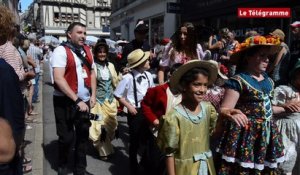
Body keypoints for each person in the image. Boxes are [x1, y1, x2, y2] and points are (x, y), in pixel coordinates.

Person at [215, 35, 285, 174]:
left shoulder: (268, 81)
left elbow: (266, 108)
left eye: (268, 56)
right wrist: (231, 113)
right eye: (262, 55)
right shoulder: (239, 80)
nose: (267, 59)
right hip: (246, 135)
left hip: (266, 134)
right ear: (248, 57)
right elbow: (223, 109)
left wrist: (286, 107)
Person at [157, 60, 218, 175]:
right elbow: (169, 153)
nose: (202, 90)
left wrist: (224, 117)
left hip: (206, 167)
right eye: (197, 84)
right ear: (184, 86)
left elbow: (212, 134)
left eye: (205, 85)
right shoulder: (174, 116)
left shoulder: (208, 109)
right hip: (184, 170)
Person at [51, 22, 96, 175]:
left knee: (83, 136)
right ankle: (63, 164)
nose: (83, 36)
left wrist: (93, 95)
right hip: (64, 102)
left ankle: (80, 168)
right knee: (66, 137)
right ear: (69, 34)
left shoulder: (88, 51)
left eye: (84, 33)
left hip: (84, 102)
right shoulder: (60, 51)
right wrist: (77, 100)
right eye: (79, 32)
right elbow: (58, 78)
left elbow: (92, 74)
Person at [114, 49, 154, 175]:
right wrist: (129, 106)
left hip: (148, 110)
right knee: (135, 140)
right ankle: (133, 166)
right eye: (146, 60)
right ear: (140, 63)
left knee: (149, 139)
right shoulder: (128, 78)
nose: (149, 61)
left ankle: (145, 163)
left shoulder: (149, 75)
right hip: (135, 112)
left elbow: (152, 92)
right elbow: (117, 95)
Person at [141, 63, 182, 175]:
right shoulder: (158, 90)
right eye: (176, 75)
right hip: (157, 133)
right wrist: (154, 120)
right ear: (170, 75)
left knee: (169, 164)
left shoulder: (186, 94)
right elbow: (145, 105)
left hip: (176, 136)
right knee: (153, 162)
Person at [89, 39, 119, 160]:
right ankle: (103, 151)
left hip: (110, 101)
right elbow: (91, 84)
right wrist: (92, 97)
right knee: (98, 126)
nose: (102, 54)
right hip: (97, 102)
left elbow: (116, 81)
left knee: (111, 126)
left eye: (104, 52)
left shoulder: (111, 66)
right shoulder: (93, 67)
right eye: (99, 52)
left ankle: (107, 145)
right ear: (95, 53)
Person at [272, 60, 300, 175]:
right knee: (286, 162)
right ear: (294, 76)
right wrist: (284, 106)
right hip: (287, 133)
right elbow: (270, 109)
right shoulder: (285, 90)